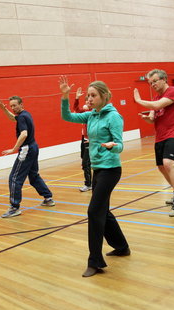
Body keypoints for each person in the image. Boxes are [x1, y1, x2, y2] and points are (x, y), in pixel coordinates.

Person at [59, 76, 130, 277]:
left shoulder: (113, 117)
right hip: (98, 169)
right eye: (88, 95)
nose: (89, 99)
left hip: (111, 170)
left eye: (93, 95)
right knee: (103, 212)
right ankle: (122, 246)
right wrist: (65, 96)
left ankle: (95, 261)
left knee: (94, 212)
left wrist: (113, 146)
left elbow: (121, 144)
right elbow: (68, 117)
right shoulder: (91, 115)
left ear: (104, 96)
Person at [133, 69, 174, 216]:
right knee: (161, 167)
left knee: (168, 163)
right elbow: (153, 116)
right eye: (150, 83)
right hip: (161, 136)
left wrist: (139, 101)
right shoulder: (157, 97)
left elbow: (157, 106)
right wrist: (148, 119)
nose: (152, 84)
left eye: (155, 81)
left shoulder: (173, 91)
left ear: (164, 79)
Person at [0, 96, 55, 218]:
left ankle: (14, 207)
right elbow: (13, 119)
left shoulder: (22, 117)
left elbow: (24, 134)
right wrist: (4, 110)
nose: (12, 108)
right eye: (11, 106)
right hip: (33, 147)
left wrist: (14, 149)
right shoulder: (25, 114)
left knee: (14, 178)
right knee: (33, 176)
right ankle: (48, 198)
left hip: (26, 149)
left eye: (15, 105)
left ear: (21, 104)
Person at [74, 87, 92, 192]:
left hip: (90, 140)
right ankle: (90, 182)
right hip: (83, 138)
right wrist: (76, 98)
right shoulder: (85, 111)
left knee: (86, 163)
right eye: (86, 100)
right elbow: (76, 109)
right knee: (83, 159)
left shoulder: (93, 111)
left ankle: (88, 184)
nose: (87, 102)